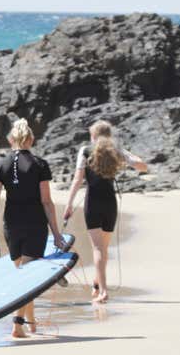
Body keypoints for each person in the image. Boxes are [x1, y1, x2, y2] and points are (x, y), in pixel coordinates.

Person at [0, 118, 65, 338]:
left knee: (22, 274)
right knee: (27, 277)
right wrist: (56, 234)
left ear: (11, 139)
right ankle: (17, 324)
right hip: (35, 224)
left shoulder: (0, 165)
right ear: (31, 139)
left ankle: (31, 323)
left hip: (11, 224)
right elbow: (47, 202)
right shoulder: (40, 164)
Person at [63, 120, 147, 303]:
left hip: (93, 203)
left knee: (98, 248)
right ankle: (97, 283)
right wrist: (125, 158)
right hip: (110, 203)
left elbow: (77, 180)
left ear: (92, 135)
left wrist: (68, 205)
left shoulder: (85, 151)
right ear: (109, 135)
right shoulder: (116, 151)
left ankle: (103, 291)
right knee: (103, 248)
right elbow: (142, 165)